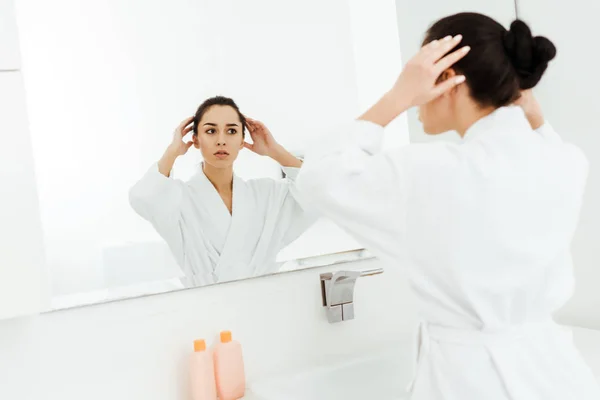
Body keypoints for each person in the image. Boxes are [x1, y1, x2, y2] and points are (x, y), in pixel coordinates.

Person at [296, 13, 600, 400]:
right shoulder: (566, 162)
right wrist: (531, 114)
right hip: (558, 375)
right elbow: (544, 143)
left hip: (472, 381)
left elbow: (319, 177)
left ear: (448, 79)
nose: (417, 100)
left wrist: (397, 97)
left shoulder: (432, 172)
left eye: (421, 74)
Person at [130, 96, 315, 287]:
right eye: (211, 131)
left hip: (261, 304)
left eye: (232, 131)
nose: (221, 141)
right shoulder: (179, 199)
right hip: (205, 308)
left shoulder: (265, 195)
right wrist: (172, 151)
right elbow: (143, 197)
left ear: (242, 140)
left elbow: (318, 191)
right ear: (195, 139)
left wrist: (275, 150)